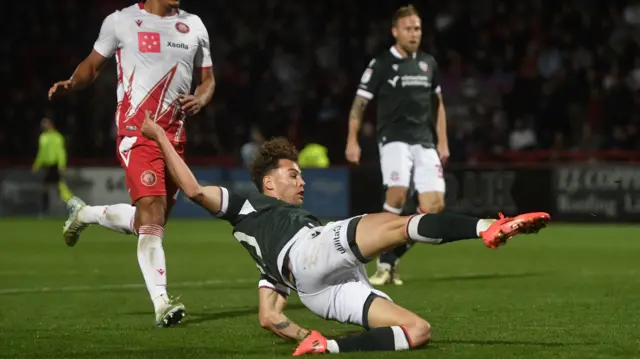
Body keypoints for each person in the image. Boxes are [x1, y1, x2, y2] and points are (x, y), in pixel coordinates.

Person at [139, 110, 550, 354]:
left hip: (316, 291)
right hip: (311, 256)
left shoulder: (264, 248)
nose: (301, 182)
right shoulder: (249, 204)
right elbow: (192, 189)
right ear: (268, 183)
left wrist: (304, 334)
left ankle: (329, 347)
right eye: (293, 174)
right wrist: (158, 135)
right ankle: (488, 227)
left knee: (417, 331)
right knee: (398, 225)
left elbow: (269, 317)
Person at [48, 0, 215, 327]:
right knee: (152, 208)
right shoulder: (121, 21)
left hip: (174, 138)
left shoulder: (194, 25)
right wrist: (72, 83)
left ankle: (84, 213)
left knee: (147, 223)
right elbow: (92, 66)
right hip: (136, 132)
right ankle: (162, 304)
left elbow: (208, 79)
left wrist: (202, 96)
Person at [345, 5, 449, 286]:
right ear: (395, 32)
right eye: (408, 29)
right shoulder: (381, 64)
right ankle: (375, 254)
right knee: (398, 195)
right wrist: (352, 140)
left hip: (424, 141)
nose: (414, 34)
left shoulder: (428, 63)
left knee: (434, 207)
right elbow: (359, 105)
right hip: (393, 139)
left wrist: (443, 140)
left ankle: (391, 256)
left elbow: (438, 105)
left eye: (417, 29)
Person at [32, 117, 73, 215]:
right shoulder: (43, 137)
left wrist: (61, 165)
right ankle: (45, 209)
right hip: (45, 166)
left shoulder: (57, 137)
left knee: (59, 186)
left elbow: (61, 152)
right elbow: (41, 153)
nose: (45, 126)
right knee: (47, 187)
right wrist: (36, 165)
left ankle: (71, 205)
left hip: (54, 165)